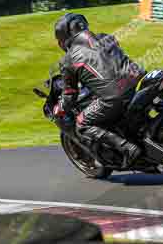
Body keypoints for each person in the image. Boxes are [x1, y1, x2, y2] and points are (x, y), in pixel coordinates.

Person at [53, 13, 146, 167]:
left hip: (114, 96)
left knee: (82, 124)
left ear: (64, 37)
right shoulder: (106, 37)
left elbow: (70, 94)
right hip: (137, 79)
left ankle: (128, 148)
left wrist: (60, 108)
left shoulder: (68, 60)